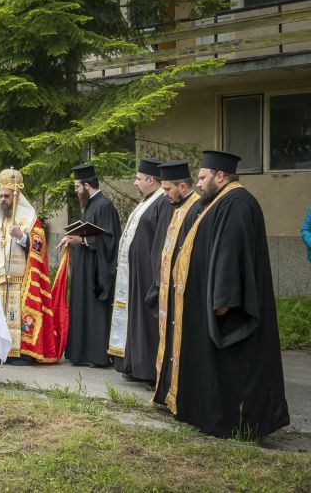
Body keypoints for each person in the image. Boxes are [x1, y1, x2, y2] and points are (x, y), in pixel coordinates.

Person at [157, 150, 289, 438]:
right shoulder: (220, 201)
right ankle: (213, 416)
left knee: (236, 368)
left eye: (203, 177)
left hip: (228, 306)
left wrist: (223, 299)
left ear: (220, 176)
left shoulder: (237, 202)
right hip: (215, 300)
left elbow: (232, 253)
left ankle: (237, 424)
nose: (199, 183)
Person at [0, 168, 61, 365]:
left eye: (6, 196)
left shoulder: (29, 216)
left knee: (17, 317)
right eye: (0, 195)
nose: (3, 199)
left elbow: (39, 243)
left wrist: (22, 236)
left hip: (21, 280)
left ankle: (22, 353)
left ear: (15, 195)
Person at [108, 159, 172, 384]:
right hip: (135, 273)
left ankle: (148, 370)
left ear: (151, 180)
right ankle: (134, 364)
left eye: (138, 178)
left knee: (146, 321)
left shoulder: (161, 202)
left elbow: (160, 237)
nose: (135, 183)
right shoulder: (147, 201)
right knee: (134, 320)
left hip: (147, 273)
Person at [59, 163, 122, 368]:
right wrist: (73, 237)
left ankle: (97, 356)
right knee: (81, 308)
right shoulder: (90, 205)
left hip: (96, 271)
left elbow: (111, 240)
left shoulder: (104, 205)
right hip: (84, 268)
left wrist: (84, 241)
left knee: (94, 311)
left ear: (86, 185)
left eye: (77, 187)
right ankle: (81, 353)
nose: (76, 191)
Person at [151, 159, 202, 411]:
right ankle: (167, 392)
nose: (164, 194)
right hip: (169, 291)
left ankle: (181, 395)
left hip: (184, 292)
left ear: (183, 186)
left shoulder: (196, 208)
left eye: (167, 189)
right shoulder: (178, 207)